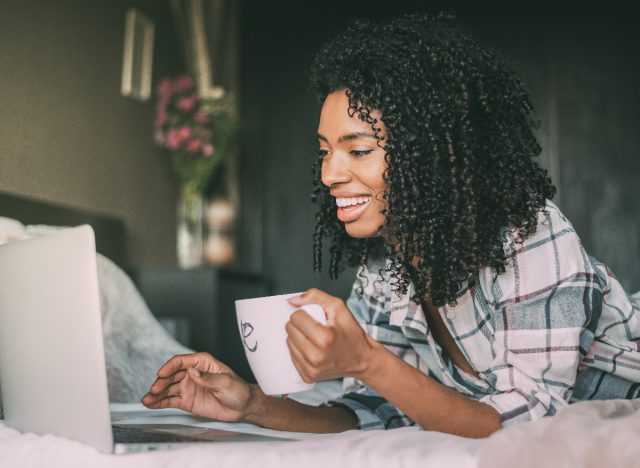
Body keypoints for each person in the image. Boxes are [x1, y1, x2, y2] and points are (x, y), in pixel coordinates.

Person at [142, 13, 640, 438]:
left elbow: (528, 426)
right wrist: (251, 404)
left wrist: (365, 359)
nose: (329, 174)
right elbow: (376, 411)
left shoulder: (526, 236)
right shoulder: (387, 264)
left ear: (433, 156)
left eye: (358, 150)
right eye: (324, 151)